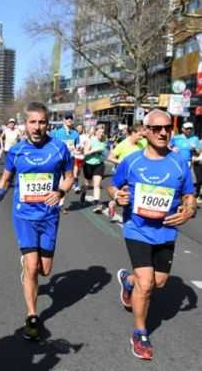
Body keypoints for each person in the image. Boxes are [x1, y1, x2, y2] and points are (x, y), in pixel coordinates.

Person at [108, 109, 196, 361]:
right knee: (146, 284)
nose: (162, 132)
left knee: (158, 283)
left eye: (167, 128)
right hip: (137, 229)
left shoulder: (179, 162)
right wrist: (116, 194)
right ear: (145, 131)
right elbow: (112, 184)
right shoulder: (132, 161)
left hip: (166, 231)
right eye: (156, 128)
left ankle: (128, 281)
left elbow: (189, 195)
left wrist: (188, 211)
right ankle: (140, 332)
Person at [0, 102, 73, 341]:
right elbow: (5, 179)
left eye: (42, 122)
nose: (37, 127)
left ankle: (29, 267)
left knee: (45, 270)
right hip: (24, 215)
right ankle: (32, 315)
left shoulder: (59, 149)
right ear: (25, 124)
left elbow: (69, 177)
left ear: (48, 123)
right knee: (33, 266)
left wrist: (60, 192)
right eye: (32, 122)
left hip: (49, 216)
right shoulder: (16, 151)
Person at [51, 113, 79, 213]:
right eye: (67, 118)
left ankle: (60, 204)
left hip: (69, 160)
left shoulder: (75, 134)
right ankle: (55, 201)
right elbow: (50, 144)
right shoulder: (56, 132)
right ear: (63, 120)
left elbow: (77, 146)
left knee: (67, 182)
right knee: (58, 181)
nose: (69, 120)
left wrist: (77, 149)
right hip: (57, 160)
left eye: (71, 118)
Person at [81, 126, 107, 213]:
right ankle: (83, 192)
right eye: (99, 132)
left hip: (99, 164)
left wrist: (104, 154)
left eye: (103, 132)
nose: (101, 134)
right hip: (88, 164)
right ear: (95, 132)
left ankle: (97, 204)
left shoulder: (104, 141)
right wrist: (94, 151)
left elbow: (106, 153)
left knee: (97, 185)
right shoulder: (90, 141)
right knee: (87, 184)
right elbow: (85, 153)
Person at [73, 124, 88, 193]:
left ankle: (74, 182)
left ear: (82, 129)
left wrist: (83, 149)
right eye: (78, 128)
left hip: (82, 157)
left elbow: (87, 146)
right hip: (75, 156)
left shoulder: (85, 137)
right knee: (75, 172)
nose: (79, 129)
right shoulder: (74, 135)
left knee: (78, 172)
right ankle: (76, 186)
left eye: (80, 128)